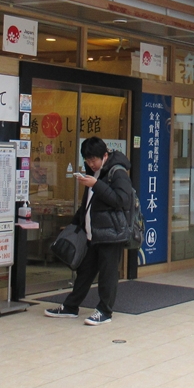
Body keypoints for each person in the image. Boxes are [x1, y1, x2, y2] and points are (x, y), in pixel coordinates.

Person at [45, 136, 134, 326]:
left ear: (105, 155)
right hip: (93, 233)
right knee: (85, 271)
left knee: (108, 274)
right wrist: (76, 224)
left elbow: (122, 200)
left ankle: (105, 311)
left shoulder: (117, 172)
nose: (91, 164)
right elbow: (88, 203)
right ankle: (71, 307)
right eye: (87, 160)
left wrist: (96, 185)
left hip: (111, 233)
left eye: (93, 159)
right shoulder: (93, 172)